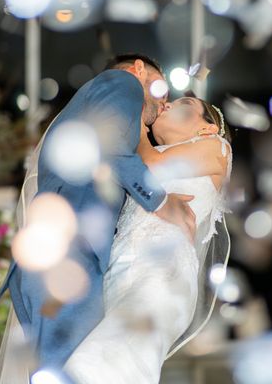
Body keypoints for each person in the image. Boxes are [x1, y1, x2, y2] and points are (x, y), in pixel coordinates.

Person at [0, 54, 197, 383]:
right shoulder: (122, 82)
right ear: (140, 70)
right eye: (161, 90)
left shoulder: (90, 108)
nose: (164, 104)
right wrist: (161, 202)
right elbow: (112, 150)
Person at [63, 96, 233, 384]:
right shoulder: (135, 165)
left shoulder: (216, 147)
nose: (167, 105)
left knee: (91, 365)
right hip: (121, 272)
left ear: (207, 129)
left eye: (185, 104)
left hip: (163, 274)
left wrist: (138, 127)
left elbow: (154, 166)